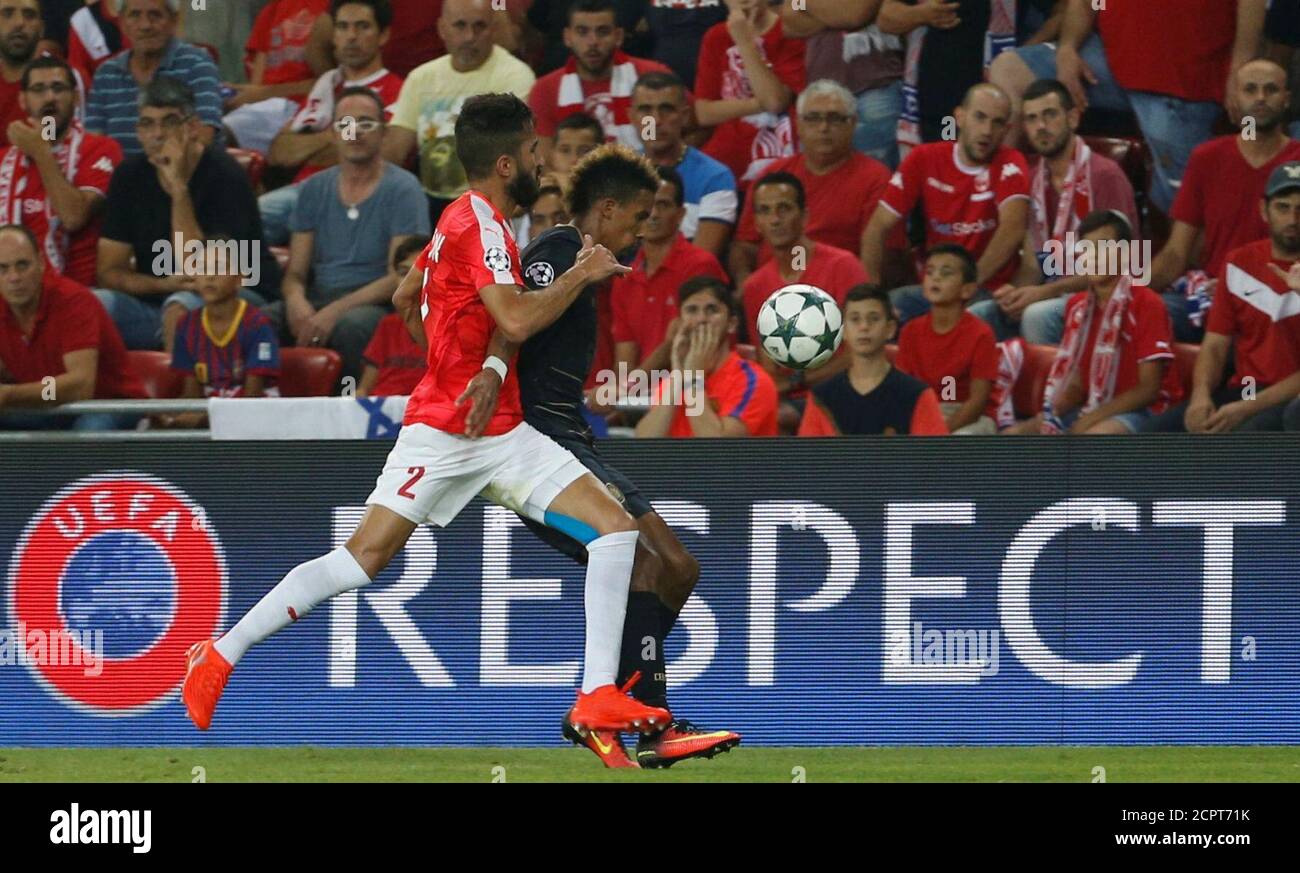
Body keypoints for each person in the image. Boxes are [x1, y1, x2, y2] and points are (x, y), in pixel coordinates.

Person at [181, 92, 671, 740]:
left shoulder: (456, 219)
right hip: (443, 430)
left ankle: (596, 696)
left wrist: (464, 358)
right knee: (362, 559)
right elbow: (518, 318)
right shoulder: (486, 229)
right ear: (504, 163)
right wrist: (582, 274)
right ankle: (219, 655)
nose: (540, 164)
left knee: (614, 532)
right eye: (530, 152)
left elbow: (409, 290)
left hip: (498, 430)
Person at [472, 143, 743, 768]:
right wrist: (492, 374)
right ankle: (650, 724)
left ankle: (618, 704)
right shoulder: (560, 254)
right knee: (650, 564)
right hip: (541, 443)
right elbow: (510, 324)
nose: (644, 229)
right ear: (608, 208)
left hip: (575, 436)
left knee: (677, 567)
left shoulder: (585, 264)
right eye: (639, 216)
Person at [987, 0, 1265, 214]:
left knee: (1182, 203)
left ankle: (1177, 276)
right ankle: (1001, 205)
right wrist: (1068, 48)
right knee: (1009, 70)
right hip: (1108, 60)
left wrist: (1241, 64)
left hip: (1183, 80)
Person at [95, 76, 276, 352]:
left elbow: (201, 274)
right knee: (90, 306)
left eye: (168, 122)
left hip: (236, 297)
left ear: (192, 127)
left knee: (180, 308)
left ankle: (181, 395)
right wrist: (160, 284)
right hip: (159, 300)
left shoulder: (225, 175)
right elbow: (109, 271)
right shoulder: (128, 176)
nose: (157, 135)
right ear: (138, 131)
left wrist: (179, 189)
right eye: (147, 124)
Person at [273, 87, 429, 381]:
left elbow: (402, 276)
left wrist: (334, 311)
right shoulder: (312, 189)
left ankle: (352, 417)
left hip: (373, 303)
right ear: (333, 134)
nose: (354, 133)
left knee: (353, 326)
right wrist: (295, 301)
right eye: (345, 125)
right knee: (263, 319)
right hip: (318, 297)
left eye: (366, 124)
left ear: (384, 133)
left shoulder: (404, 189)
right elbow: (295, 273)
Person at [969, 77, 1137, 343]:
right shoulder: (1034, 180)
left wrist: (1043, 293)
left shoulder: (1105, 175)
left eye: (1049, 115)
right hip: (1054, 291)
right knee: (978, 315)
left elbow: (1120, 267)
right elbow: (1035, 263)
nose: (1041, 127)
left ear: (1072, 118)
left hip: (1103, 293)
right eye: (1032, 119)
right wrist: (1017, 293)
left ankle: (1053, 385)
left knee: (1037, 315)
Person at [1147, 59, 1300, 343]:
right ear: (1235, 97)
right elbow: (1175, 254)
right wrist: (1126, 294)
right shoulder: (1207, 158)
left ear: (1287, 100)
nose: (1260, 99)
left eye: (1271, 90)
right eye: (1250, 90)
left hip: (1281, 301)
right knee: (1143, 314)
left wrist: (1244, 287)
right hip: (1211, 298)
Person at [1143, 163, 1300, 434]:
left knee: (1246, 435)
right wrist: (1200, 397)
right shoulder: (1239, 262)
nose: (1293, 219)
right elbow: (1215, 344)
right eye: (1283, 207)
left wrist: (1248, 408)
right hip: (1248, 390)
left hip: (1290, 399)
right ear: (1264, 210)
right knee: (1156, 434)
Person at [861, 83, 1030, 326]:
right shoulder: (924, 158)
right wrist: (871, 292)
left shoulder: (1011, 162)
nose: (987, 130)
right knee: (879, 316)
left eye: (997, 123)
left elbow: (1012, 229)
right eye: (979, 117)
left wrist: (969, 283)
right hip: (934, 287)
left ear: (1007, 130)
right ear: (959, 117)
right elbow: (877, 228)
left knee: (970, 321)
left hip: (985, 288)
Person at [1006, 210, 1182, 435]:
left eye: (1103, 247)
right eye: (1086, 249)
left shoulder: (1147, 303)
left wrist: (1090, 420)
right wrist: (1048, 417)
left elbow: (1148, 390)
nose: (1094, 257)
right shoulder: (1077, 307)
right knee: (1016, 436)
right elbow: (1078, 384)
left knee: (1094, 437)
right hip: (1095, 405)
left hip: (1148, 410)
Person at [262, 0, 404, 245]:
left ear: (383, 35)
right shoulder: (327, 84)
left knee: (253, 219)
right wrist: (333, 137)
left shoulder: (396, 90)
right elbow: (279, 152)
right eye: (342, 27)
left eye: (362, 27)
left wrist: (315, 144)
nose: (351, 36)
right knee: (234, 222)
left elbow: (372, 155)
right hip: (304, 191)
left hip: (352, 194)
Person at [383, 0, 536, 221]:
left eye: (479, 26)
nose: (469, 36)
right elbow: (394, 152)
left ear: (493, 28)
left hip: (489, 206)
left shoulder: (516, 76)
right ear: (442, 29)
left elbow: (518, 153)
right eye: (460, 25)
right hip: (429, 204)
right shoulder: (421, 78)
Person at [731, 78, 890, 286]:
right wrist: (747, 283)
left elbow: (883, 259)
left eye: (835, 118)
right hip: (771, 289)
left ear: (852, 124)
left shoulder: (876, 178)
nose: (823, 127)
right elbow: (744, 246)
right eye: (813, 118)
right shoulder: (772, 175)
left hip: (836, 288)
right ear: (798, 124)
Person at [741, 171, 868, 429]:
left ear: (805, 216)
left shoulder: (843, 266)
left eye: (784, 208)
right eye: (765, 211)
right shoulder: (755, 286)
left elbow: (863, 352)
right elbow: (769, 367)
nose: (775, 220)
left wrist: (799, 380)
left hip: (845, 393)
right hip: (790, 401)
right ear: (757, 223)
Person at [0, 223, 142, 430]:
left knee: (88, 433)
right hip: (45, 402)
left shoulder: (72, 301)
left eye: (22, 265)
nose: (14, 278)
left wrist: (10, 394)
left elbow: (80, 386)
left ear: (41, 263)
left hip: (106, 403)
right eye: (2, 268)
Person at [0, 55, 122, 287]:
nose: (49, 98)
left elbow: (73, 217)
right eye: (38, 89)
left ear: (76, 98)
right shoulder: (4, 160)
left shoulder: (100, 148)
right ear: (23, 100)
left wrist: (42, 152)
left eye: (58, 88)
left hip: (80, 292)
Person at [611, 165, 728, 380]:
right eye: (646, 206)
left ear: (681, 213)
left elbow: (680, 338)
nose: (653, 214)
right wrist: (622, 396)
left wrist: (627, 388)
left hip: (696, 389)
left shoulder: (700, 265)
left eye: (663, 205)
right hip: (642, 395)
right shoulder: (625, 276)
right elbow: (625, 352)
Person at [634, 274, 779, 438]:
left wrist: (694, 379)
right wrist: (678, 375)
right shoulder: (674, 381)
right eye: (692, 310)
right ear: (680, 322)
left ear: (731, 324)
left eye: (712, 310)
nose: (701, 319)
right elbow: (645, 443)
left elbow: (718, 451)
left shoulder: (753, 381)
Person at [162, 237, 282, 429]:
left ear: (239, 278)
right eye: (202, 269)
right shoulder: (187, 325)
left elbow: (253, 400)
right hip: (209, 410)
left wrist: (204, 420)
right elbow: (192, 394)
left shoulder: (258, 325)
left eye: (218, 268)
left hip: (254, 418)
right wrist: (170, 417)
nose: (209, 277)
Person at [798, 283, 948, 435]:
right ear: (843, 331)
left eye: (874, 318)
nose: (864, 326)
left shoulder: (916, 395)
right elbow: (808, 457)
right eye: (855, 319)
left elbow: (933, 457)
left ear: (890, 329)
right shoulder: (822, 397)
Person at [528, 0, 671, 158]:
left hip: (644, 176)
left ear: (618, 36)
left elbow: (690, 126)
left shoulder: (652, 76)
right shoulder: (545, 90)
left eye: (602, 32)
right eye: (582, 32)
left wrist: (667, 162)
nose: (593, 42)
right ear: (567, 37)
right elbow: (545, 161)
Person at [84, 0, 224, 157]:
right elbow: (93, 143)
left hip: (186, 175)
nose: (145, 25)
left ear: (174, 20)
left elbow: (203, 137)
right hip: (118, 178)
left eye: (155, 15)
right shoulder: (106, 73)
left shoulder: (197, 64)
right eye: (135, 15)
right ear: (122, 22)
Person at [879, 0, 1015, 159]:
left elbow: (1051, 14)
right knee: (946, 161)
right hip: (943, 100)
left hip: (994, 101)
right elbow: (886, 19)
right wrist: (922, 14)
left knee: (989, 167)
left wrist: (1025, 51)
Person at [694, 0, 805, 190]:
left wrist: (744, 41)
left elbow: (775, 101)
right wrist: (759, 102)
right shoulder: (715, 36)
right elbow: (704, 113)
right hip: (727, 158)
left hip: (778, 156)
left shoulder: (791, 30)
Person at [780, 0, 904, 168]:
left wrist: (806, 4)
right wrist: (838, 13)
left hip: (874, 91)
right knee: (822, 177)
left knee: (876, 176)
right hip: (821, 94)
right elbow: (789, 21)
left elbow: (856, 14)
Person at [631, 70, 737, 257]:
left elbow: (700, 261)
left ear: (685, 116)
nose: (655, 121)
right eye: (646, 110)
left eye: (667, 109)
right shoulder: (617, 173)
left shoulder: (716, 177)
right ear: (631, 117)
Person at [894, 244, 998, 434]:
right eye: (930, 271)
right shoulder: (910, 330)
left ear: (967, 290)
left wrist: (940, 431)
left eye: (946, 272)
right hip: (924, 412)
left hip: (966, 417)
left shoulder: (981, 333)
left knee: (958, 440)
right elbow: (901, 390)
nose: (936, 277)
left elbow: (977, 402)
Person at [220, 0, 331, 157]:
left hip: (305, 107)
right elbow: (256, 86)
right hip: (266, 109)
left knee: (220, 134)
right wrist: (240, 95)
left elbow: (334, 82)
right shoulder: (272, 9)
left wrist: (264, 93)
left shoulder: (334, 11)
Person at [357, 236, 424, 397]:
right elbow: (364, 389)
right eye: (403, 273)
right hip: (381, 413)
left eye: (418, 272)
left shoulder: (453, 326)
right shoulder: (388, 325)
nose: (408, 282)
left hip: (426, 412)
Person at [0, 0, 43, 146]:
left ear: (42, 28)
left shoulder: (60, 81)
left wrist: (41, 147)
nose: (19, 22)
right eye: (7, 14)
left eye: (29, 15)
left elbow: (54, 145)